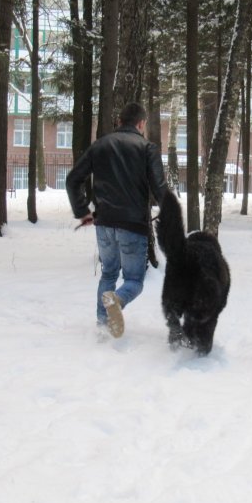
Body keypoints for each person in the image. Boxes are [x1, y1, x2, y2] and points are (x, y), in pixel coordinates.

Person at [66, 102, 167, 338]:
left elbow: (73, 180)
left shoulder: (100, 145)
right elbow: (160, 188)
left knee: (109, 274)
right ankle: (117, 301)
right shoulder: (147, 148)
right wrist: (169, 213)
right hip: (133, 225)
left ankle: (103, 326)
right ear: (141, 123)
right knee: (133, 280)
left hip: (104, 223)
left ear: (120, 121)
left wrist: (83, 211)